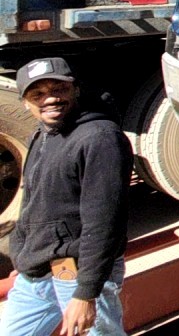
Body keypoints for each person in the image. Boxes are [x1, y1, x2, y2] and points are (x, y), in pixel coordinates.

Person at [2, 58, 131, 336]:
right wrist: (24, 258)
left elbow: (104, 223)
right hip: (37, 272)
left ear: (76, 90)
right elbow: (32, 202)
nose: (50, 99)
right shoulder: (42, 134)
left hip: (79, 272)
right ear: (25, 102)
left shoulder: (99, 138)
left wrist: (86, 293)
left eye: (59, 89)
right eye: (38, 94)